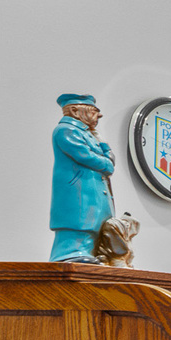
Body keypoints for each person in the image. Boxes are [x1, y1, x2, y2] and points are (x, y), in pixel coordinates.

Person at [50, 93, 116, 262]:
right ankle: (69, 254)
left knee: (93, 223)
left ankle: (87, 252)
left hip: (92, 189)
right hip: (78, 189)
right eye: (93, 111)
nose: (98, 115)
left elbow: (110, 158)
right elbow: (85, 156)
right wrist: (107, 164)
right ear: (74, 110)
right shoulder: (66, 131)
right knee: (78, 222)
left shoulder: (89, 134)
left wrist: (101, 142)